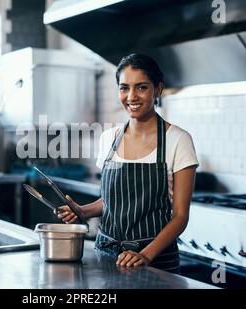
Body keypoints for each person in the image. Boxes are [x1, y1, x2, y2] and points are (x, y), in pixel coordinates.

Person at [56, 53, 198, 273]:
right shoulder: (108, 138)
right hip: (107, 255)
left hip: (155, 262)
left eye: (141, 87)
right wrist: (82, 211)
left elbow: (180, 216)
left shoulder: (178, 139)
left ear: (158, 90)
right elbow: (112, 201)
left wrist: (145, 255)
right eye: (124, 88)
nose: (131, 96)